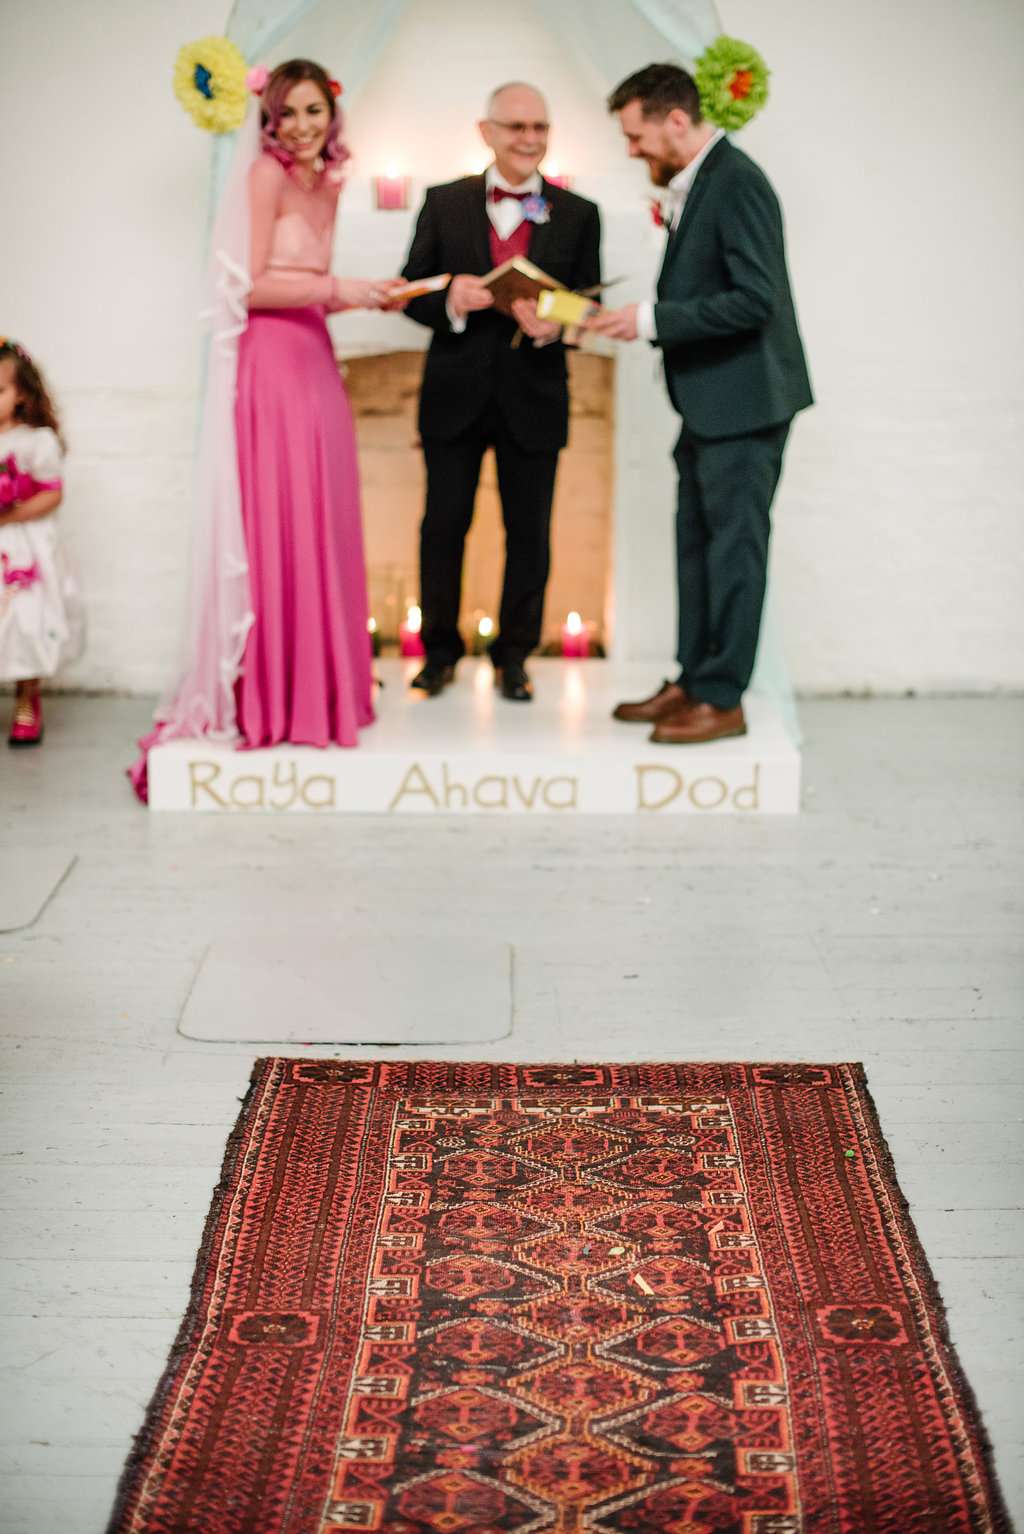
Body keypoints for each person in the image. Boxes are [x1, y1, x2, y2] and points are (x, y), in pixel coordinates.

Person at [129, 59, 403, 799]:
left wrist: (364, 297)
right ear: (268, 119)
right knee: (280, 517)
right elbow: (245, 283)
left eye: (315, 111)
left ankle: (322, 692)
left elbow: (309, 282)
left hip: (315, 353)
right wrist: (340, 287)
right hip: (271, 360)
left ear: (332, 114)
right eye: (289, 114)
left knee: (323, 516)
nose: (303, 127)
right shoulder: (265, 177)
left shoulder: (329, 182)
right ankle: (275, 698)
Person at [590, 63, 812, 743]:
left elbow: (755, 299)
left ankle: (724, 698)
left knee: (735, 554)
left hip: (746, 404)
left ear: (677, 121)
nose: (633, 150)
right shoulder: (701, 182)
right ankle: (693, 678)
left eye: (637, 136)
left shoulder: (737, 181)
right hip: (710, 404)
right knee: (696, 546)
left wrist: (650, 320)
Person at [400, 82, 601, 702]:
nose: (529, 139)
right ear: (486, 132)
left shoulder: (579, 213)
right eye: (517, 127)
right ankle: (439, 654)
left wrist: (555, 322)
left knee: (530, 533)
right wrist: (450, 299)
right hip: (453, 395)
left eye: (540, 127)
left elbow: (588, 301)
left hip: (534, 395)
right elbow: (411, 290)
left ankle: (515, 657)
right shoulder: (444, 202)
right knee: (443, 527)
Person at [0, 339, 85, 746]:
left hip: (23, 547)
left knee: (25, 621)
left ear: (22, 395)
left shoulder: (36, 441)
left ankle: (27, 697)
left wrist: (9, 515)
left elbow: (52, 494)